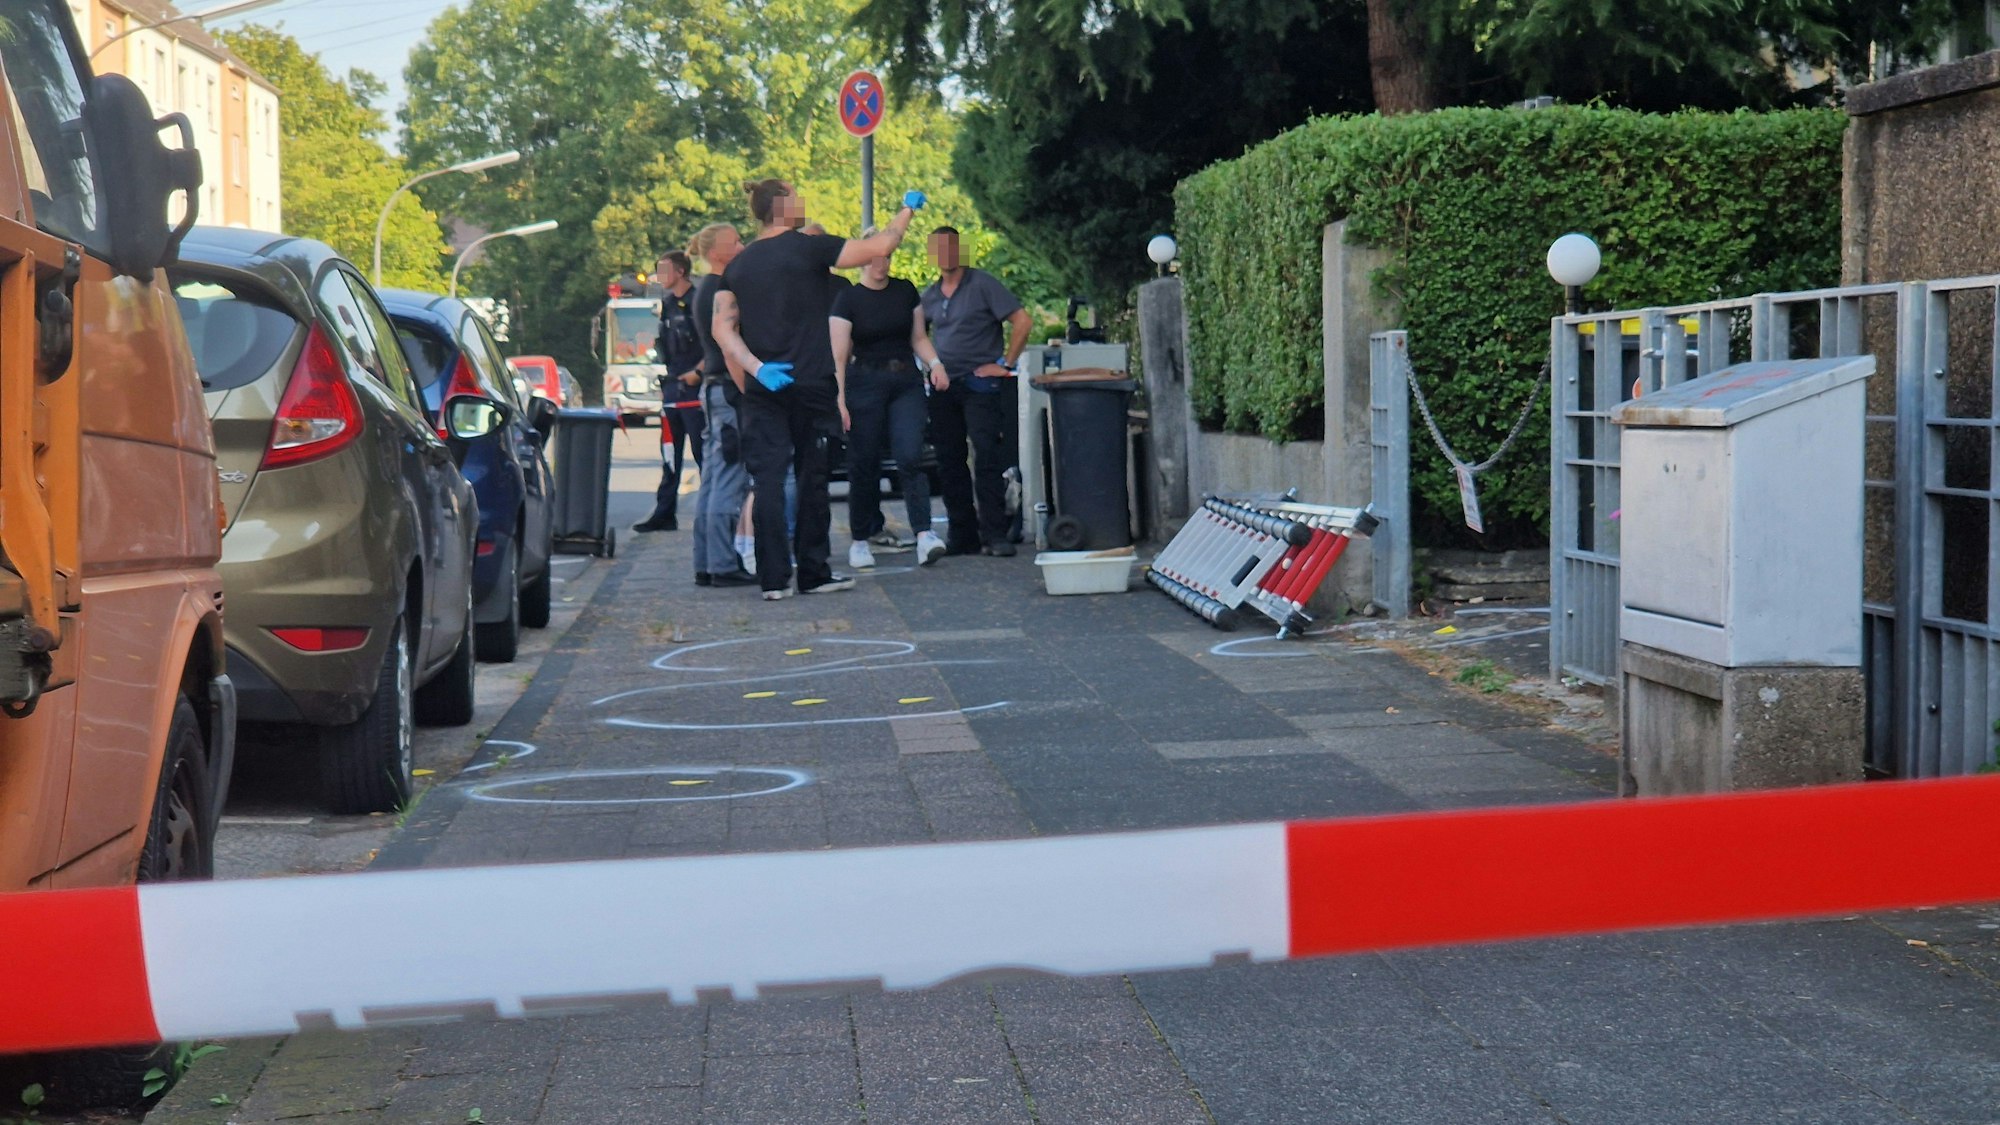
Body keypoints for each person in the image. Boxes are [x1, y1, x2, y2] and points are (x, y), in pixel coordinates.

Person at [710, 179, 921, 601]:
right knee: (812, 477)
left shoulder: (738, 266)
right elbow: (881, 248)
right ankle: (813, 572)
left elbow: (723, 329)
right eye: (797, 197)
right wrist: (907, 210)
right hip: (811, 382)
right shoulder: (810, 248)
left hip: (764, 385)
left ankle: (772, 581)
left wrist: (756, 369)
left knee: (767, 480)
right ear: (783, 205)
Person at [832, 231, 948, 569]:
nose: (881, 264)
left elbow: (918, 337)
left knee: (910, 455)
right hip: (864, 381)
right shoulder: (848, 299)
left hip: (904, 381)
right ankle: (859, 538)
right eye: (874, 257)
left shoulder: (905, 290)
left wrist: (936, 364)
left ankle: (924, 533)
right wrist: (838, 398)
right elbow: (839, 356)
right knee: (863, 460)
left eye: (886, 257)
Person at [920, 226, 1033, 556]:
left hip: (981, 383)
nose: (944, 255)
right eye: (937, 249)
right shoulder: (930, 295)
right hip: (944, 386)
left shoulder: (982, 284)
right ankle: (963, 534)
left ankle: (994, 534)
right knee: (949, 460)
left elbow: (1022, 321)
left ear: (960, 250)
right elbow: (917, 335)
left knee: (986, 455)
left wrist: (1006, 363)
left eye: (949, 248)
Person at [686, 223, 757, 587]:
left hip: (715, 390)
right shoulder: (721, 290)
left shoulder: (704, 289)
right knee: (729, 476)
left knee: (714, 477)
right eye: (736, 242)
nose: (743, 246)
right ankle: (723, 564)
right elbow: (729, 347)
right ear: (717, 254)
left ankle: (707, 561)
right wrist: (747, 390)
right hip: (729, 389)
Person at [635, 250, 705, 534]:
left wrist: (698, 372)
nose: (659, 276)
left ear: (679, 272)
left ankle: (712, 512)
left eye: (663, 270)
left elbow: (713, 343)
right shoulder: (666, 304)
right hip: (673, 389)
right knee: (668, 454)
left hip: (695, 391)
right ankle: (665, 513)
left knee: (704, 455)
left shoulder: (698, 301)